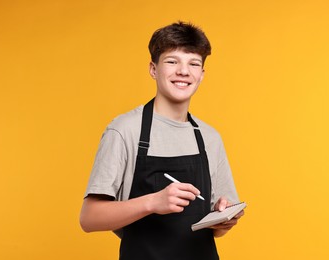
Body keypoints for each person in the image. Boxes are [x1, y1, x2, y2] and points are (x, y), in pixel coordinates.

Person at [80, 21, 244, 260]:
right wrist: (153, 202)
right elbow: (89, 218)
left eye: (193, 64)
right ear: (153, 69)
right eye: (172, 61)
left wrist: (223, 221)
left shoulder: (210, 138)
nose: (183, 71)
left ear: (201, 74)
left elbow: (216, 229)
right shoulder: (125, 131)